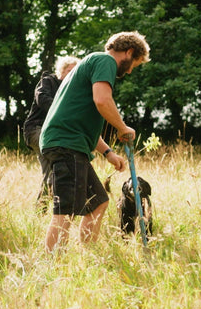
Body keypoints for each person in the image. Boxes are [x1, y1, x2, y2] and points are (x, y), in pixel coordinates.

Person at [40, 31, 150, 252]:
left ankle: (89, 256)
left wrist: (108, 152)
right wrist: (122, 127)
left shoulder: (90, 64)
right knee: (66, 211)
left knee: (98, 201)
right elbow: (102, 100)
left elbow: (83, 119)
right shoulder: (105, 60)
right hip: (66, 144)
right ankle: (50, 269)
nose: (129, 71)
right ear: (128, 52)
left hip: (71, 142)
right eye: (133, 65)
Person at [23, 56, 79, 203]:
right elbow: (42, 99)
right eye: (69, 70)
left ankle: (43, 210)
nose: (72, 74)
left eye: (75, 72)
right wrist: (61, 111)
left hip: (54, 134)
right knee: (56, 157)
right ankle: (50, 207)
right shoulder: (47, 81)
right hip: (36, 129)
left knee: (52, 171)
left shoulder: (71, 90)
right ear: (61, 70)